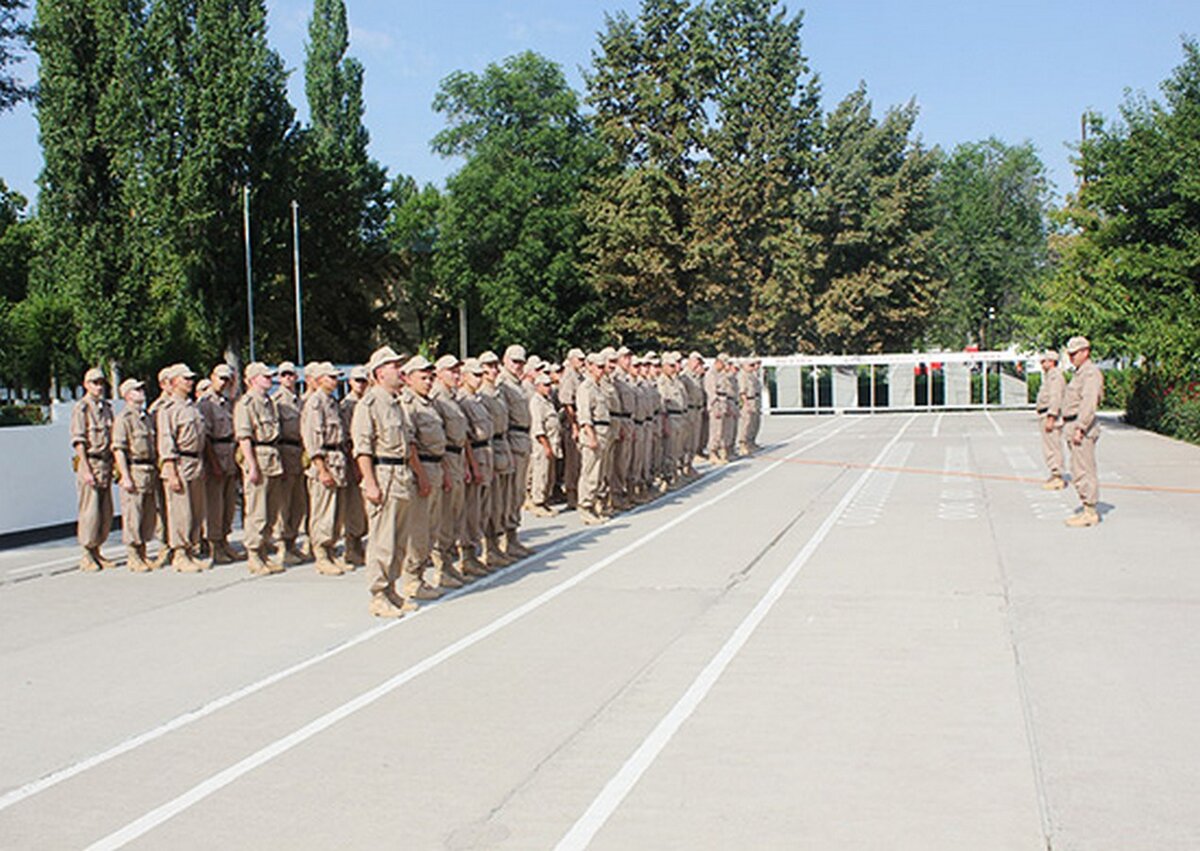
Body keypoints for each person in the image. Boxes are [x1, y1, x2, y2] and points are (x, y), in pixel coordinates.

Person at [351, 346, 417, 617]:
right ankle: (378, 594)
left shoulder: (396, 403)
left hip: (401, 476)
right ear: (379, 373)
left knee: (399, 540)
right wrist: (370, 482)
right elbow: (363, 448)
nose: (400, 370)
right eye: (393, 366)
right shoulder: (369, 404)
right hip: (384, 476)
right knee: (382, 540)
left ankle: (391, 588)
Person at [399, 354, 450, 598]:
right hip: (423, 470)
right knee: (419, 529)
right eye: (423, 377)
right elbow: (410, 446)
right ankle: (411, 579)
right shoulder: (408, 405)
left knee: (431, 527)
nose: (428, 382)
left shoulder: (428, 404)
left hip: (436, 467)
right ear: (408, 379)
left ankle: (420, 576)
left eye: (431, 378)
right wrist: (421, 475)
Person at [234, 363, 285, 575]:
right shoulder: (246, 403)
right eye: (265, 376)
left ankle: (264, 552)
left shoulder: (269, 402)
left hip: (272, 457)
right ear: (253, 379)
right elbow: (244, 437)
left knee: (271, 510)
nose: (269, 379)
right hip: (258, 457)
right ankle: (254, 554)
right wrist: (252, 466)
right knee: (257, 510)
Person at [430, 354, 477, 587]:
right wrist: (447, 469)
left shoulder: (452, 398)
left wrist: (467, 464)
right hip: (446, 459)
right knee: (445, 517)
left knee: (456, 514)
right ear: (439, 374)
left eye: (458, 371)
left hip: (457, 458)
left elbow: (462, 437)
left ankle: (450, 564)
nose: (456, 375)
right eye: (451, 371)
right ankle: (442, 568)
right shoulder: (437, 398)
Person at [157, 363, 208, 572]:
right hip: (180, 463)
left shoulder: (192, 406)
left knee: (196, 510)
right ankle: (179, 553)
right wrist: (171, 472)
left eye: (191, 378)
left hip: (196, 462)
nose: (190, 382)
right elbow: (166, 441)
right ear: (174, 381)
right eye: (185, 379)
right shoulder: (167, 409)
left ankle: (191, 549)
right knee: (180, 511)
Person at [302, 361, 349, 576]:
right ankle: (321, 554)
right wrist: (321, 469)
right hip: (325, 461)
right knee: (323, 511)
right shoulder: (315, 403)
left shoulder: (332, 402)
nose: (335, 380)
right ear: (320, 379)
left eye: (336, 377)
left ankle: (330, 551)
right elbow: (312, 440)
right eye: (331, 377)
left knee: (336, 512)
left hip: (337, 459)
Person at [111, 377, 158, 571]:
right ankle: (133, 555)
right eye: (136, 390)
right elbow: (119, 449)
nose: (141, 392)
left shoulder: (145, 417)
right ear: (127, 395)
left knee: (147, 513)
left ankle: (143, 552)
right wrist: (125, 476)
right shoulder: (124, 419)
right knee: (133, 514)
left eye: (141, 389)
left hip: (148, 469)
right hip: (134, 468)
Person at [71, 366, 115, 571]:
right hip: (91, 461)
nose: (99, 387)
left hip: (106, 462)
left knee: (105, 511)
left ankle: (98, 550)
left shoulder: (106, 407)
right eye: (94, 383)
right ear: (85, 385)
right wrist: (85, 468)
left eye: (101, 383)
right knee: (90, 510)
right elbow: (79, 441)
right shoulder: (82, 409)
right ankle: (87, 553)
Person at [198, 363, 242, 563]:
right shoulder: (206, 403)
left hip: (229, 455)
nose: (224, 382)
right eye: (221, 378)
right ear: (212, 377)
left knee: (228, 504)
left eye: (228, 379)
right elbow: (205, 436)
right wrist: (213, 462)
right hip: (215, 453)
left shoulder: (228, 402)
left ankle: (224, 541)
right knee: (214, 505)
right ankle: (215, 544)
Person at [457, 358, 495, 577]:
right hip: (475, 455)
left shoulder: (478, 399)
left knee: (482, 508)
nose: (480, 378)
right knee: (471, 510)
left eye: (482, 375)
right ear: (465, 376)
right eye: (476, 375)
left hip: (485, 452)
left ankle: (476, 552)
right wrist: (472, 465)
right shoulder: (462, 400)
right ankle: (467, 556)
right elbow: (465, 439)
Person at [1062, 336, 1104, 527]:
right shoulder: (1080, 373)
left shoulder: (1090, 374)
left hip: (1082, 428)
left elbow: (1088, 403)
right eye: (1070, 354)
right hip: (1073, 424)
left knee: (1084, 469)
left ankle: (1090, 511)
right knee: (1077, 468)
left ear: (1086, 352)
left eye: (1075, 354)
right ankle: (1086, 506)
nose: (1072, 358)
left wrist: (1080, 427)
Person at [497, 345, 535, 557]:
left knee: (518, 493)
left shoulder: (519, 385)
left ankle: (512, 537)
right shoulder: (503, 384)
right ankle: (504, 539)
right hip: (511, 440)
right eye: (514, 361)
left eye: (521, 362)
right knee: (509, 494)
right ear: (505, 360)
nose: (518, 366)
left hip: (522, 439)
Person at [575, 352, 611, 525]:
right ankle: (585, 507)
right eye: (599, 366)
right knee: (590, 473)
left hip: (603, 431)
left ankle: (595, 505)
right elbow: (584, 415)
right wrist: (591, 436)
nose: (602, 370)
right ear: (589, 366)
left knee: (599, 473)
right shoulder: (586, 388)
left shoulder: (599, 387)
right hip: (593, 432)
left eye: (603, 367)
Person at [340, 365, 369, 567]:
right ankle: (352, 547)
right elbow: (350, 439)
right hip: (354, 460)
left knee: (364, 509)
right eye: (357, 380)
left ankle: (359, 545)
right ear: (350, 382)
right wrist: (356, 466)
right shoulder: (347, 405)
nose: (361, 384)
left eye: (364, 380)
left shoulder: (366, 402)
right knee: (354, 508)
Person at [528, 373, 562, 516]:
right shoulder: (536, 402)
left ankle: (545, 501)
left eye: (550, 385)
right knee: (541, 474)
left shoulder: (546, 401)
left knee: (549, 475)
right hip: (543, 444)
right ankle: (538, 502)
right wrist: (546, 446)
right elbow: (538, 427)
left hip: (552, 442)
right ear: (537, 386)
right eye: (545, 385)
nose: (549, 388)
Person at [1035, 350, 1067, 490]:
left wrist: (1051, 416)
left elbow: (1055, 398)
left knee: (1053, 447)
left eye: (1044, 361)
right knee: (1049, 447)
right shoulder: (1049, 376)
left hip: (1050, 416)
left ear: (1052, 361)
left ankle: (1057, 475)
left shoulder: (1055, 376)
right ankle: (1054, 474)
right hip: (1045, 414)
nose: (1042, 364)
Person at [558, 348, 585, 508]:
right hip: (571, 423)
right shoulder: (569, 376)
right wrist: (574, 425)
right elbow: (567, 402)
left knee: (579, 461)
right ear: (571, 359)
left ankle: (577, 493)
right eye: (579, 359)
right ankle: (571, 494)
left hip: (580, 420)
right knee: (573, 463)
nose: (582, 362)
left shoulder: (579, 376)